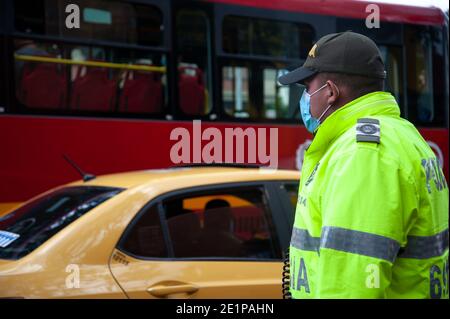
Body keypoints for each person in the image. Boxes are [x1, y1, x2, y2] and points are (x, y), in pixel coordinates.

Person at [278, 31, 448, 299]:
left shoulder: (363, 155)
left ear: (331, 92)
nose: (306, 98)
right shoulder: (403, 135)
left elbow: (351, 286)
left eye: (307, 88)